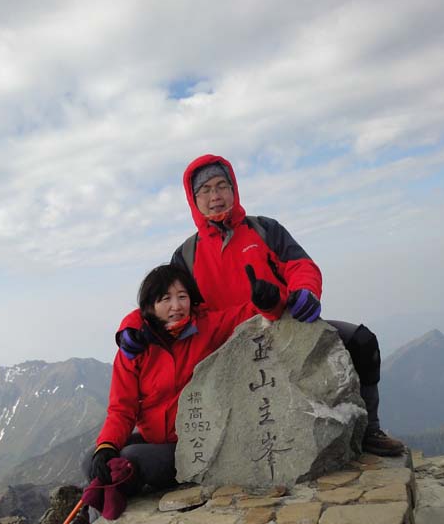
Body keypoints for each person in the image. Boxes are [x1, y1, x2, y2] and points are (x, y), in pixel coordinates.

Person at [166, 154, 404, 457]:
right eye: (205, 190)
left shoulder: (264, 229)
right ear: (193, 199)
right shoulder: (186, 255)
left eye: (222, 185)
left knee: (362, 342)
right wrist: (133, 332)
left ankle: (370, 430)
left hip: (285, 329)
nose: (215, 196)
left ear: (233, 189)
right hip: (225, 351)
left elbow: (300, 265)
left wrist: (305, 293)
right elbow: (166, 304)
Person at [88, 262, 284, 493]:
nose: (176, 306)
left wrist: (269, 301)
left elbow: (250, 313)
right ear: (149, 307)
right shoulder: (135, 349)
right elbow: (122, 408)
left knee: (131, 459)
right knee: (94, 460)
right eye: (165, 299)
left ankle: (127, 485)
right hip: (155, 440)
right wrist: (107, 446)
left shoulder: (206, 327)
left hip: (195, 442)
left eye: (182, 296)